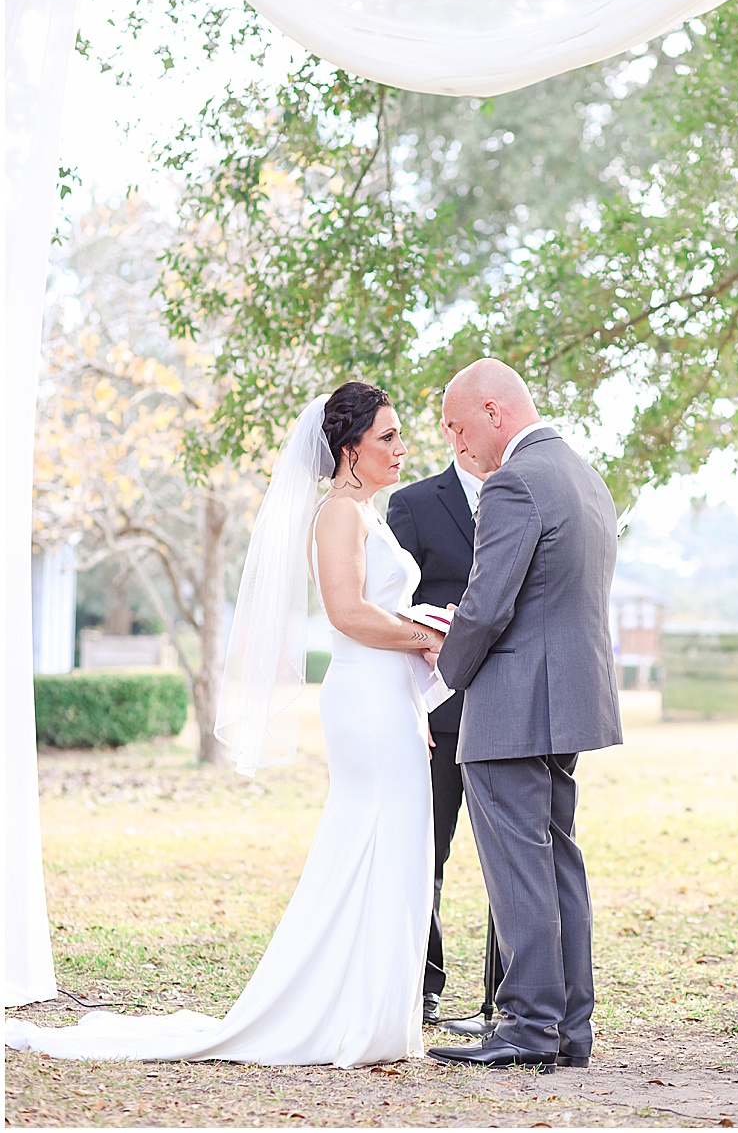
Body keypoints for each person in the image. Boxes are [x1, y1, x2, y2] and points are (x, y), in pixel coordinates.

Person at [6, 382, 444, 1068]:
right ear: (349, 448)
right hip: (365, 701)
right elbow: (346, 614)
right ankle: (346, 1015)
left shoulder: (366, 513)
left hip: (391, 701)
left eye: (397, 435)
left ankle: (371, 1010)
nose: (401, 448)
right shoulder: (338, 516)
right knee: (371, 843)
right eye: (387, 437)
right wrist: (426, 635)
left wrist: (417, 673)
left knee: (396, 849)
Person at [426, 359, 622, 1073]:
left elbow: (488, 603)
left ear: (494, 410)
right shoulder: (582, 474)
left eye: (457, 423)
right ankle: (570, 1026)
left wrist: (436, 683)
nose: (454, 440)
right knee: (558, 854)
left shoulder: (513, 481)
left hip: (511, 705)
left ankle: (530, 1023)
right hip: (568, 697)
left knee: (518, 867)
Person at [387, 423, 492, 1025]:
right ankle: (423, 985)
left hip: (509, 710)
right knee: (426, 852)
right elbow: (394, 613)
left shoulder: (525, 498)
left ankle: (501, 997)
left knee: (511, 860)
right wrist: (411, 703)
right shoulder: (415, 504)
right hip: (439, 715)